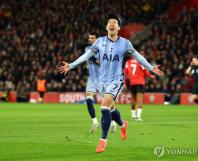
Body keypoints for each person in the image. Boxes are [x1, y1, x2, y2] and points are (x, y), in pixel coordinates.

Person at [58, 14, 164, 153]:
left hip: (116, 80)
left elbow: (137, 56)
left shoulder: (125, 43)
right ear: (106, 27)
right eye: (110, 22)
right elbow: (86, 56)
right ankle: (122, 124)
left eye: (115, 22)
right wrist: (71, 65)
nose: (112, 24)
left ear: (119, 27)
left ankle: (103, 141)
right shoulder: (99, 42)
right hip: (102, 81)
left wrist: (151, 68)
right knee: (111, 108)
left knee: (104, 107)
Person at [124, 50, 154, 121]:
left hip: (132, 83)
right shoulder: (141, 62)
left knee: (133, 99)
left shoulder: (128, 62)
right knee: (139, 99)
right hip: (140, 83)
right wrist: (151, 76)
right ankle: (138, 116)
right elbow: (146, 72)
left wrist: (124, 84)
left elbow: (125, 74)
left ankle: (133, 115)